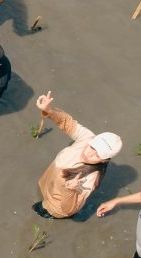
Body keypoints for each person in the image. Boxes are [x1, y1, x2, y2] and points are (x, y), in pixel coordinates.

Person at [33, 91, 122, 219]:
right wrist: (49, 110)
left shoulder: (90, 178)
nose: (90, 153)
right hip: (50, 182)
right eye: (92, 147)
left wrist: (70, 190)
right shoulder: (87, 137)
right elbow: (68, 123)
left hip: (56, 205)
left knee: (37, 212)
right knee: (41, 190)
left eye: (97, 155)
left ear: (104, 160)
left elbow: (69, 208)